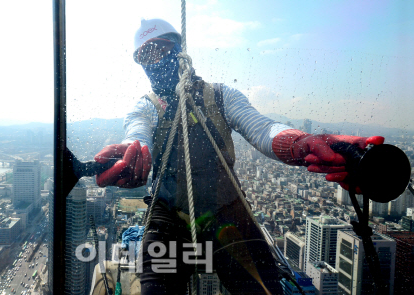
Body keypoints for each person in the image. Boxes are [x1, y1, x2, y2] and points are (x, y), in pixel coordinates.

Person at [93, 19, 384, 295]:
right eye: (146, 57)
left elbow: (263, 129)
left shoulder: (219, 96)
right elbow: (136, 132)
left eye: (161, 50)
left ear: (179, 52)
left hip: (226, 208)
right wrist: (133, 151)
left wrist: (303, 143)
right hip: (169, 215)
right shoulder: (146, 107)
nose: (155, 62)